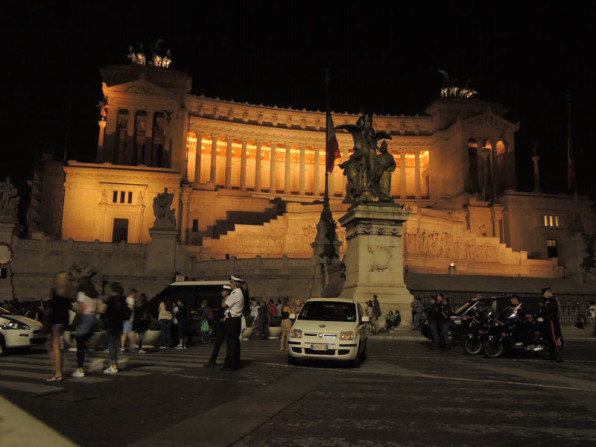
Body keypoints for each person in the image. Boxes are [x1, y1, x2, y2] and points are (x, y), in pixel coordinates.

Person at [45, 272, 72, 382]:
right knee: (57, 346)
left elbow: (52, 308)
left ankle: (58, 374)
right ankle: (60, 369)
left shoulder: (55, 291)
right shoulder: (67, 292)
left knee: (55, 347)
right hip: (64, 321)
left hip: (56, 321)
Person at [71, 277, 99, 378]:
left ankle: (80, 369)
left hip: (84, 319)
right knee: (81, 341)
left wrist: (75, 322)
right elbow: (98, 308)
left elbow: (80, 309)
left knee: (79, 345)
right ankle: (92, 356)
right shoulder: (94, 295)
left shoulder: (81, 294)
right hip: (92, 318)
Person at [102, 282, 130, 374]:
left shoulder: (111, 299)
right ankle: (115, 363)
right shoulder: (123, 299)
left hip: (112, 324)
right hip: (120, 324)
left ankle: (114, 365)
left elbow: (107, 312)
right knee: (116, 345)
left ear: (112, 290)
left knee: (111, 345)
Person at [221, 275, 245, 371]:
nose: (230, 284)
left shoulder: (235, 293)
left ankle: (231, 364)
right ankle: (234, 363)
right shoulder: (239, 293)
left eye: (231, 282)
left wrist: (225, 298)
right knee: (234, 343)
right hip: (235, 320)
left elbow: (224, 305)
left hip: (232, 320)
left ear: (234, 283)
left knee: (231, 343)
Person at [204, 285, 230, 367]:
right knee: (218, 342)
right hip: (221, 323)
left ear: (227, 292)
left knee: (229, 343)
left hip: (227, 322)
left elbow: (223, 309)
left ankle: (227, 361)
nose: (221, 292)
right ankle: (212, 360)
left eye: (223, 291)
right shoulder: (223, 299)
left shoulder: (229, 299)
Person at [540, 287, 563, 362]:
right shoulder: (550, 300)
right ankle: (553, 355)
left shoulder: (552, 300)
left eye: (544, 293)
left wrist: (542, 307)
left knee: (554, 337)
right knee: (550, 338)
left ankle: (558, 356)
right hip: (549, 321)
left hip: (551, 321)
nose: (544, 296)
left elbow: (547, 310)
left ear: (548, 292)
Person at [120, 288, 136, 353]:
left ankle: (123, 347)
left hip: (125, 318)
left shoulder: (126, 299)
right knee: (131, 332)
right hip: (130, 318)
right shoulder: (131, 299)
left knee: (125, 333)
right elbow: (131, 308)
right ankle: (130, 346)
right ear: (133, 293)